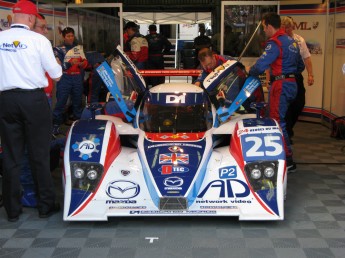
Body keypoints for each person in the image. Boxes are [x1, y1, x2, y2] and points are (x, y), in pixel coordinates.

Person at [0, 0, 62, 222]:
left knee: (11, 155)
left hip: (6, 100)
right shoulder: (39, 40)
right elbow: (56, 74)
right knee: (39, 154)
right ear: (30, 18)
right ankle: (45, 205)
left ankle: (12, 209)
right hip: (33, 100)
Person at [248, 13, 305, 172]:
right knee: (278, 119)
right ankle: (277, 152)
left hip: (280, 85)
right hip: (293, 84)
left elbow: (260, 66)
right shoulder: (292, 41)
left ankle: (288, 159)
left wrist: (249, 71)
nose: (264, 31)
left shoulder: (274, 43)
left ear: (268, 26)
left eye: (264, 27)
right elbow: (301, 66)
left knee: (277, 121)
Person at [194, 48, 264, 112]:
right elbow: (199, 80)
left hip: (240, 90)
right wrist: (197, 84)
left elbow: (241, 74)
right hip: (222, 94)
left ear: (213, 57)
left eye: (209, 64)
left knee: (250, 108)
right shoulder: (204, 67)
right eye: (205, 65)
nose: (208, 67)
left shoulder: (227, 61)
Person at [281, 16, 314, 142]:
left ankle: (288, 129)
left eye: (289, 27)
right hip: (283, 77)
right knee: (285, 106)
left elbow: (307, 58)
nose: (288, 29)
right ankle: (286, 133)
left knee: (299, 103)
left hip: (296, 76)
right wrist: (268, 79)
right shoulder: (277, 40)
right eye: (285, 27)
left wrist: (311, 74)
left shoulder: (299, 40)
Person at [52, 27, 88, 135]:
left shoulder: (78, 48)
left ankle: (78, 125)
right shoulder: (58, 49)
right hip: (65, 78)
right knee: (61, 102)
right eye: (68, 36)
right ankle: (56, 126)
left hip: (77, 77)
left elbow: (85, 62)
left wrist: (82, 64)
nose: (70, 38)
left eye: (72, 35)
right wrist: (69, 63)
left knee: (77, 101)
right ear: (63, 37)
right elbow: (58, 66)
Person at [33, 13, 54, 107]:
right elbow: (56, 74)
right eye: (42, 27)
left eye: (46, 27)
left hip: (45, 94)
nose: (46, 31)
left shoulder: (42, 45)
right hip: (35, 97)